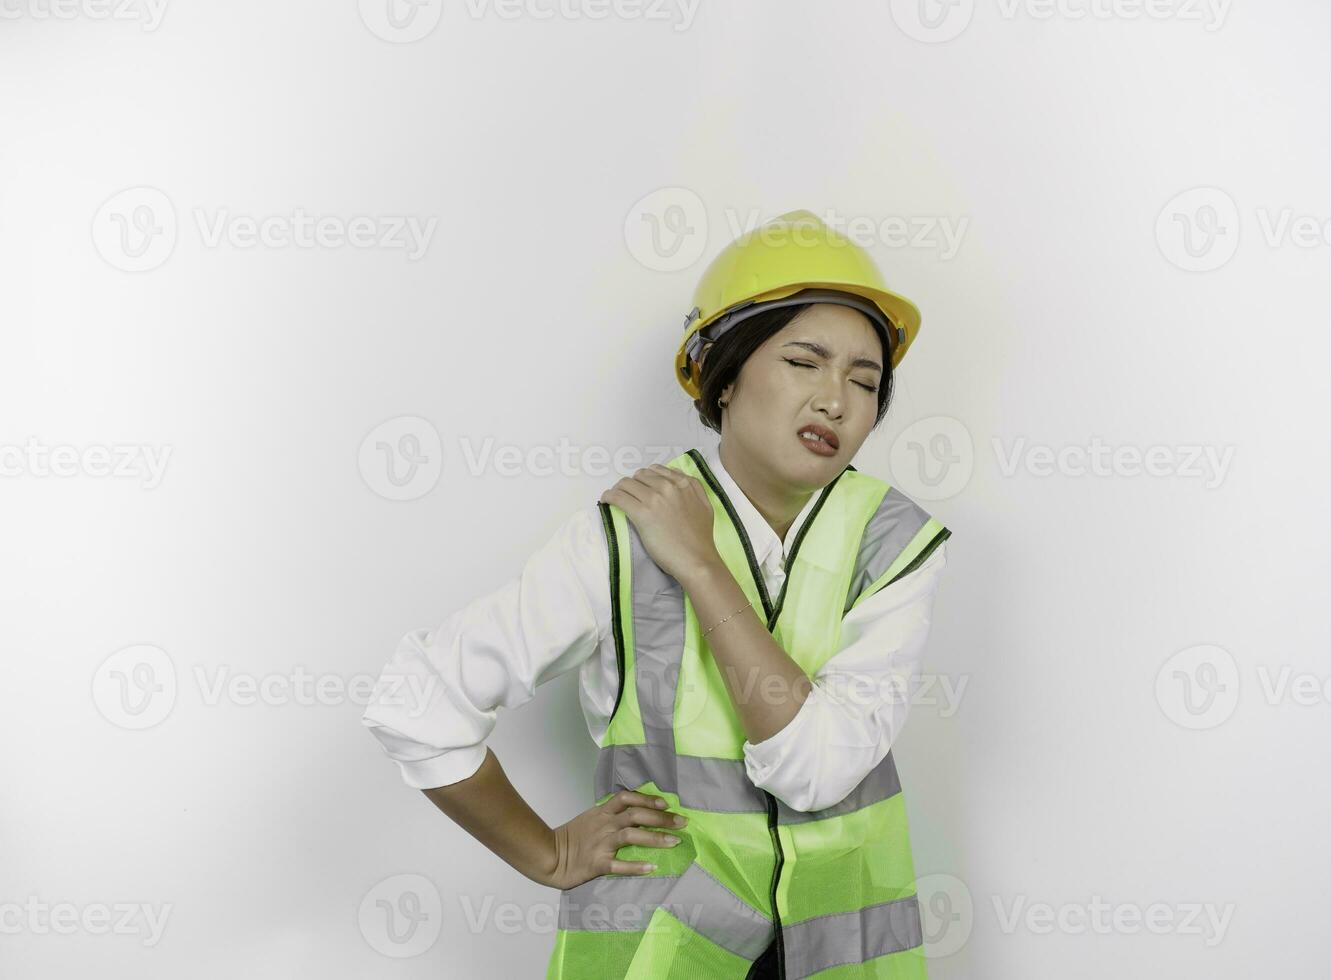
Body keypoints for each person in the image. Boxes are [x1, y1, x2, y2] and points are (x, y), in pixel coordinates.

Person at [362, 209, 952, 979]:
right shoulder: (620, 539)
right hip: (662, 956)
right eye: (804, 362)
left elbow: (816, 772)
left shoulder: (893, 546)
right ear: (726, 374)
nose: (836, 400)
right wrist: (546, 853)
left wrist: (703, 569)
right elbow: (418, 706)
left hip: (840, 959)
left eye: (865, 380)